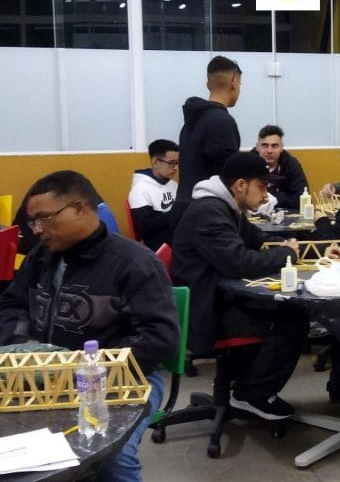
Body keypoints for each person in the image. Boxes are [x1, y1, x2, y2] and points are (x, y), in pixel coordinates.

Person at [0, 170, 179, 482]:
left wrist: (83, 368)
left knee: (112, 457)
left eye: (43, 219)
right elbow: (13, 305)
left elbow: (160, 339)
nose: (37, 230)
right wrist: (21, 347)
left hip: (125, 381)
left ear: (79, 209)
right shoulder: (40, 258)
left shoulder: (134, 263)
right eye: (33, 222)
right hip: (45, 377)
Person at [172, 152, 308, 421]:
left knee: (283, 308)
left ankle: (244, 385)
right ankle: (251, 394)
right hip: (205, 311)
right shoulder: (209, 212)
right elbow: (241, 263)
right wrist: (286, 254)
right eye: (262, 186)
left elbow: (257, 239)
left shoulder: (227, 208)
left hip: (217, 296)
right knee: (292, 318)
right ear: (241, 185)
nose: (266, 195)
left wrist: (305, 250)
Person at [170, 56, 242, 228]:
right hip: (207, 216)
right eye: (240, 84)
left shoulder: (191, 121)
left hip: (184, 209)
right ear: (233, 81)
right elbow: (229, 175)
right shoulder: (222, 121)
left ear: (208, 84)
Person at [128, 139, 179, 251]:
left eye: (177, 163)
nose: (175, 168)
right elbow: (145, 227)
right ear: (155, 162)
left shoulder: (173, 185)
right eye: (171, 163)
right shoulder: (140, 189)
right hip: (161, 247)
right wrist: (176, 213)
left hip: (178, 238)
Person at [252, 125, 309, 211]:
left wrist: (271, 198)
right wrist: (283, 196)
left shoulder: (291, 164)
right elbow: (243, 197)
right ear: (257, 147)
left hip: (284, 215)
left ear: (281, 147)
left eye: (274, 146)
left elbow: (302, 198)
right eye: (265, 145)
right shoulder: (247, 164)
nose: (269, 151)